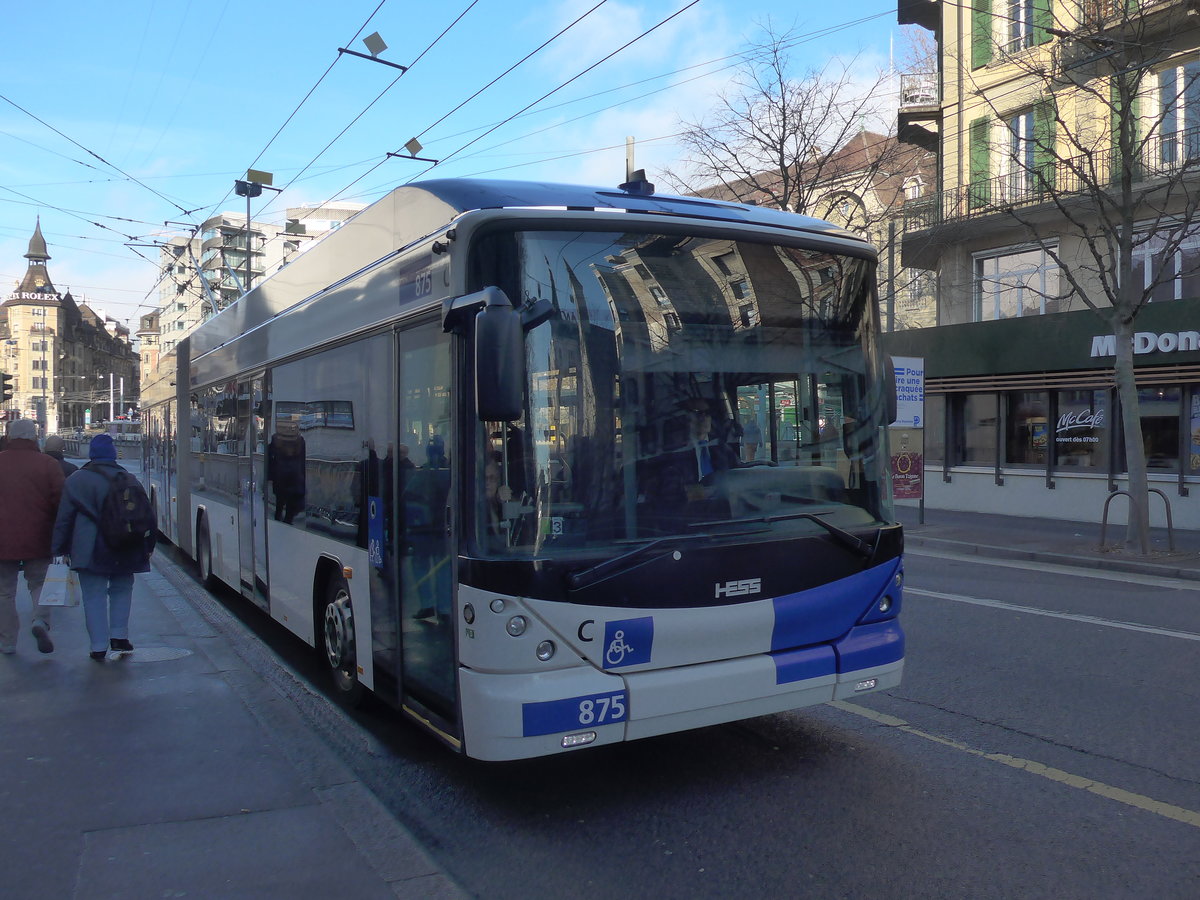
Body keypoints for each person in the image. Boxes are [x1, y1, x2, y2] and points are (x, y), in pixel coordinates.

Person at [52, 434, 153, 661]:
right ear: (112, 453)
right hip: (125, 545)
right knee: (122, 589)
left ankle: (98, 646)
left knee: (93, 595)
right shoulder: (128, 478)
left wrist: (58, 548)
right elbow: (146, 515)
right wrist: (148, 545)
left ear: (92, 454)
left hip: (88, 548)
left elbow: (64, 518)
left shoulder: (76, 480)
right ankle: (119, 636)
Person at [0, 419, 65, 655]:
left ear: (8, 437)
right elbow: (61, 502)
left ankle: (7, 641)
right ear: (34, 437)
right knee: (39, 583)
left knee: (4, 591)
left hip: (2, 539)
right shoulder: (47, 464)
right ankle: (40, 620)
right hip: (39, 536)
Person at [267, 420, 306, 524]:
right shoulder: (300, 440)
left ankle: (278, 523)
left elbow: (270, 459)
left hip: (279, 477)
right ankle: (287, 522)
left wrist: (270, 476)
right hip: (294, 477)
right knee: (290, 508)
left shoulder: (276, 439)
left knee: (279, 505)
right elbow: (303, 462)